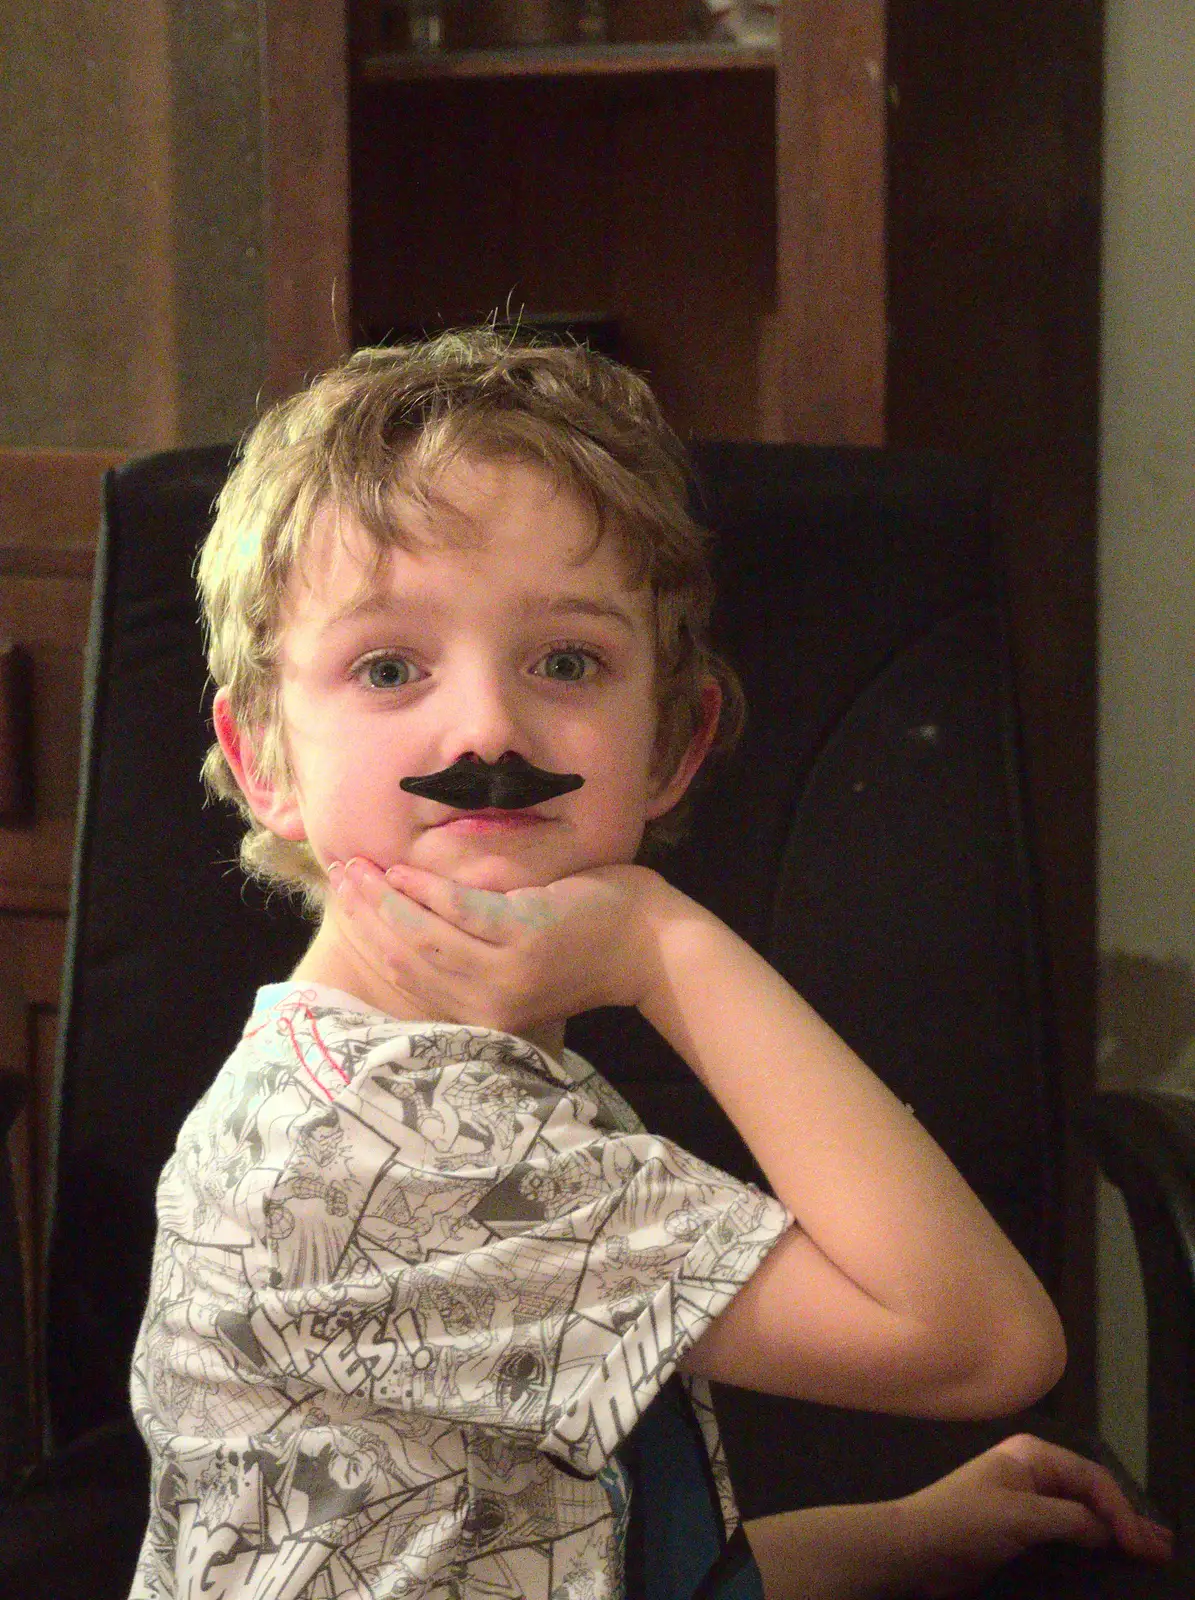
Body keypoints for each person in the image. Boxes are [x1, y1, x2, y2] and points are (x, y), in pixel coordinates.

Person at [128, 330, 1172, 1600]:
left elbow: (540, 1557)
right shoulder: (408, 1140)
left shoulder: (407, 1073)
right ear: (262, 759)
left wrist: (904, 1533)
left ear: (674, 742)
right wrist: (660, 941)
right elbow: (983, 1342)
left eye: (566, 660)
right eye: (389, 666)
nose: (489, 728)